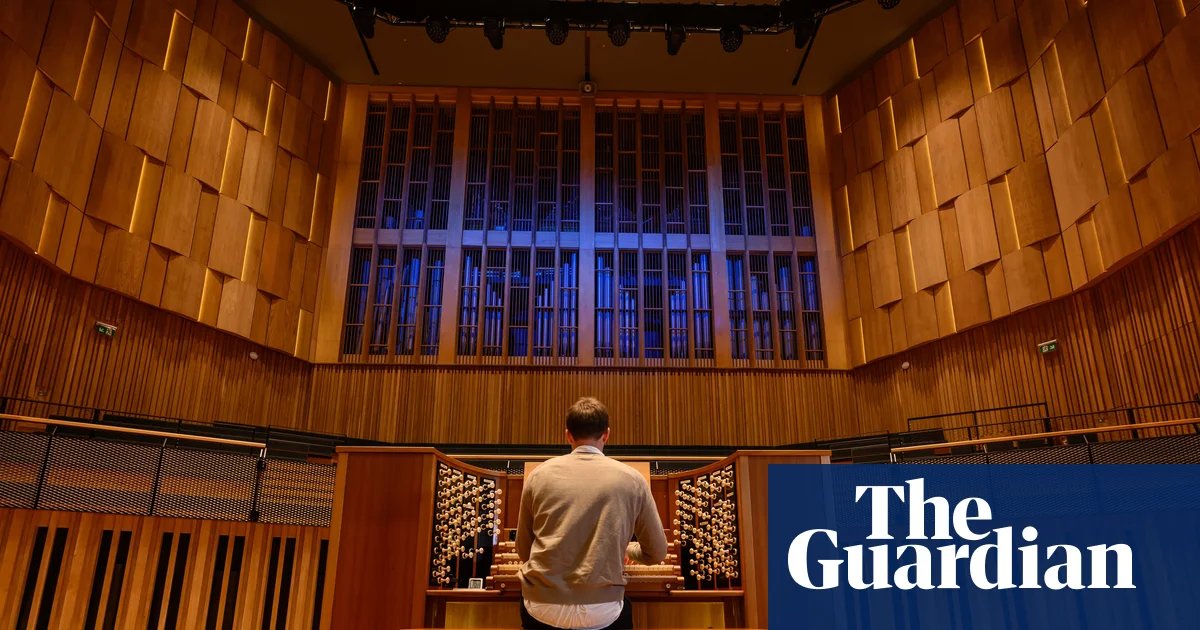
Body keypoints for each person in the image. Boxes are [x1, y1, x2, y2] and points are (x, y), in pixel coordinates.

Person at [516, 397, 668, 630]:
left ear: (568, 435)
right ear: (606, 434)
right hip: (602, 611)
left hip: (542, 606)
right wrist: (628, 550)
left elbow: (523, 551)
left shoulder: (538, 476)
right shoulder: (633, 480)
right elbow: (657, 552)